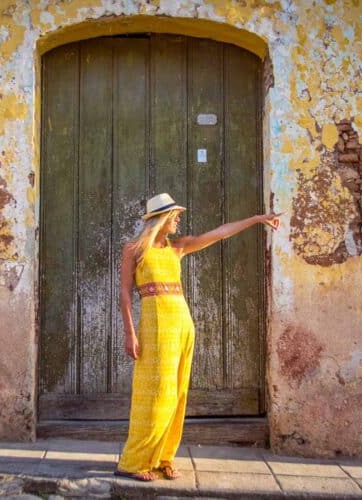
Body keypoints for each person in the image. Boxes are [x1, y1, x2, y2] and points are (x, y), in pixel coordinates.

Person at [114, 193, 281, 482]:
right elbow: (125, 294)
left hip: (182, 322)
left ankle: (164, 457)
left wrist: (257, 219)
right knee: (156, 395)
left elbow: (218, 234)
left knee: (177, 394)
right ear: (162, 218)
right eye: (175, 215)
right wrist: (130, 333)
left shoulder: (177, 246)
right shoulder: (134, 250)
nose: (178, 219)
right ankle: (133, 461)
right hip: (155, 326)